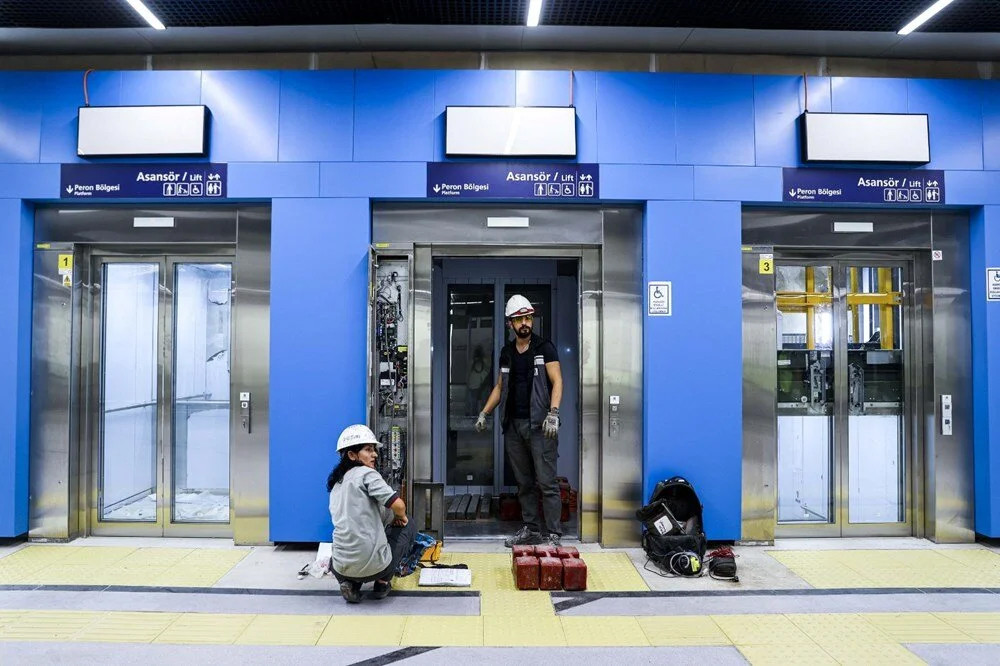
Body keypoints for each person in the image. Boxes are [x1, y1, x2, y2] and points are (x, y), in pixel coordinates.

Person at [475, 294, 563, 547]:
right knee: (524, 483)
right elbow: (500, 387)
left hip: (541, 426)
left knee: (546, 482)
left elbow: (557, 380)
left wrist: (553, 413)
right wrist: (485, 412)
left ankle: (554, 534)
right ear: (510, 324)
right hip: (514, 426)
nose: (524, 323)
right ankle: (532, 530)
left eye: (528, 318)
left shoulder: (544, 348)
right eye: (519, 319)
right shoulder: (507, 353)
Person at [327, 424, 415, 603]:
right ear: (352, 455)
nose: (375, 454)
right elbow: (399, 506)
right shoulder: (367, 474)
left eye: (374, 449)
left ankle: (350, 583)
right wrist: (400, 517)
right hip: (375, 566)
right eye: (368, 450)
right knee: (409, 524)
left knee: (352, 546)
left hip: (339, 567)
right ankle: (382, 582)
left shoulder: (337, 484)